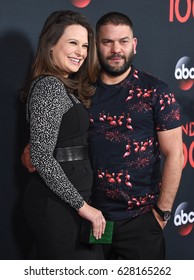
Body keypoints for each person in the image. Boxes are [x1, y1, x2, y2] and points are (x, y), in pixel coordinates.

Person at [22, 11, 184, 260]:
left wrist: (162, 213)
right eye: (107, 42)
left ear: (135, 45)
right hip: (87, 217)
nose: (116, 49)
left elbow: (175, 153)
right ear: (98, 46)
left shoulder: (155, 91)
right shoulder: (81, 88)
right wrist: (35, 149)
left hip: (138, 221)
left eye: (124, 41)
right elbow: (53, 137)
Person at [21, 10, 106, 260]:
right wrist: (83, 208)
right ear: (50, 45)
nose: (80, 52)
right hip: (58, 206)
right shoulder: (49, 86)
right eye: (72, 43)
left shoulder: (62, 86)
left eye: (84, 45)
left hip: (70, 203)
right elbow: (42, 157)